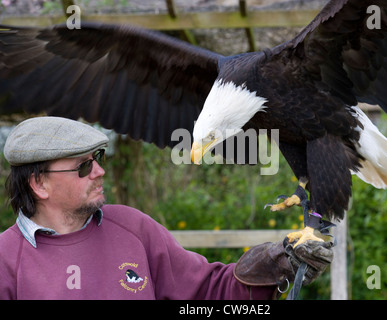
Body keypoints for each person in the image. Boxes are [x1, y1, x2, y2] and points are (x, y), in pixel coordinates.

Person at [0, 116, 333, 300]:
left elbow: (206, 293)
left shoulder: (132, 228)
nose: (100, 171)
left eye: (97, 159)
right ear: (39, 184)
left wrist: (276, 266)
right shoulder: (5, 261)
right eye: (83, 167)